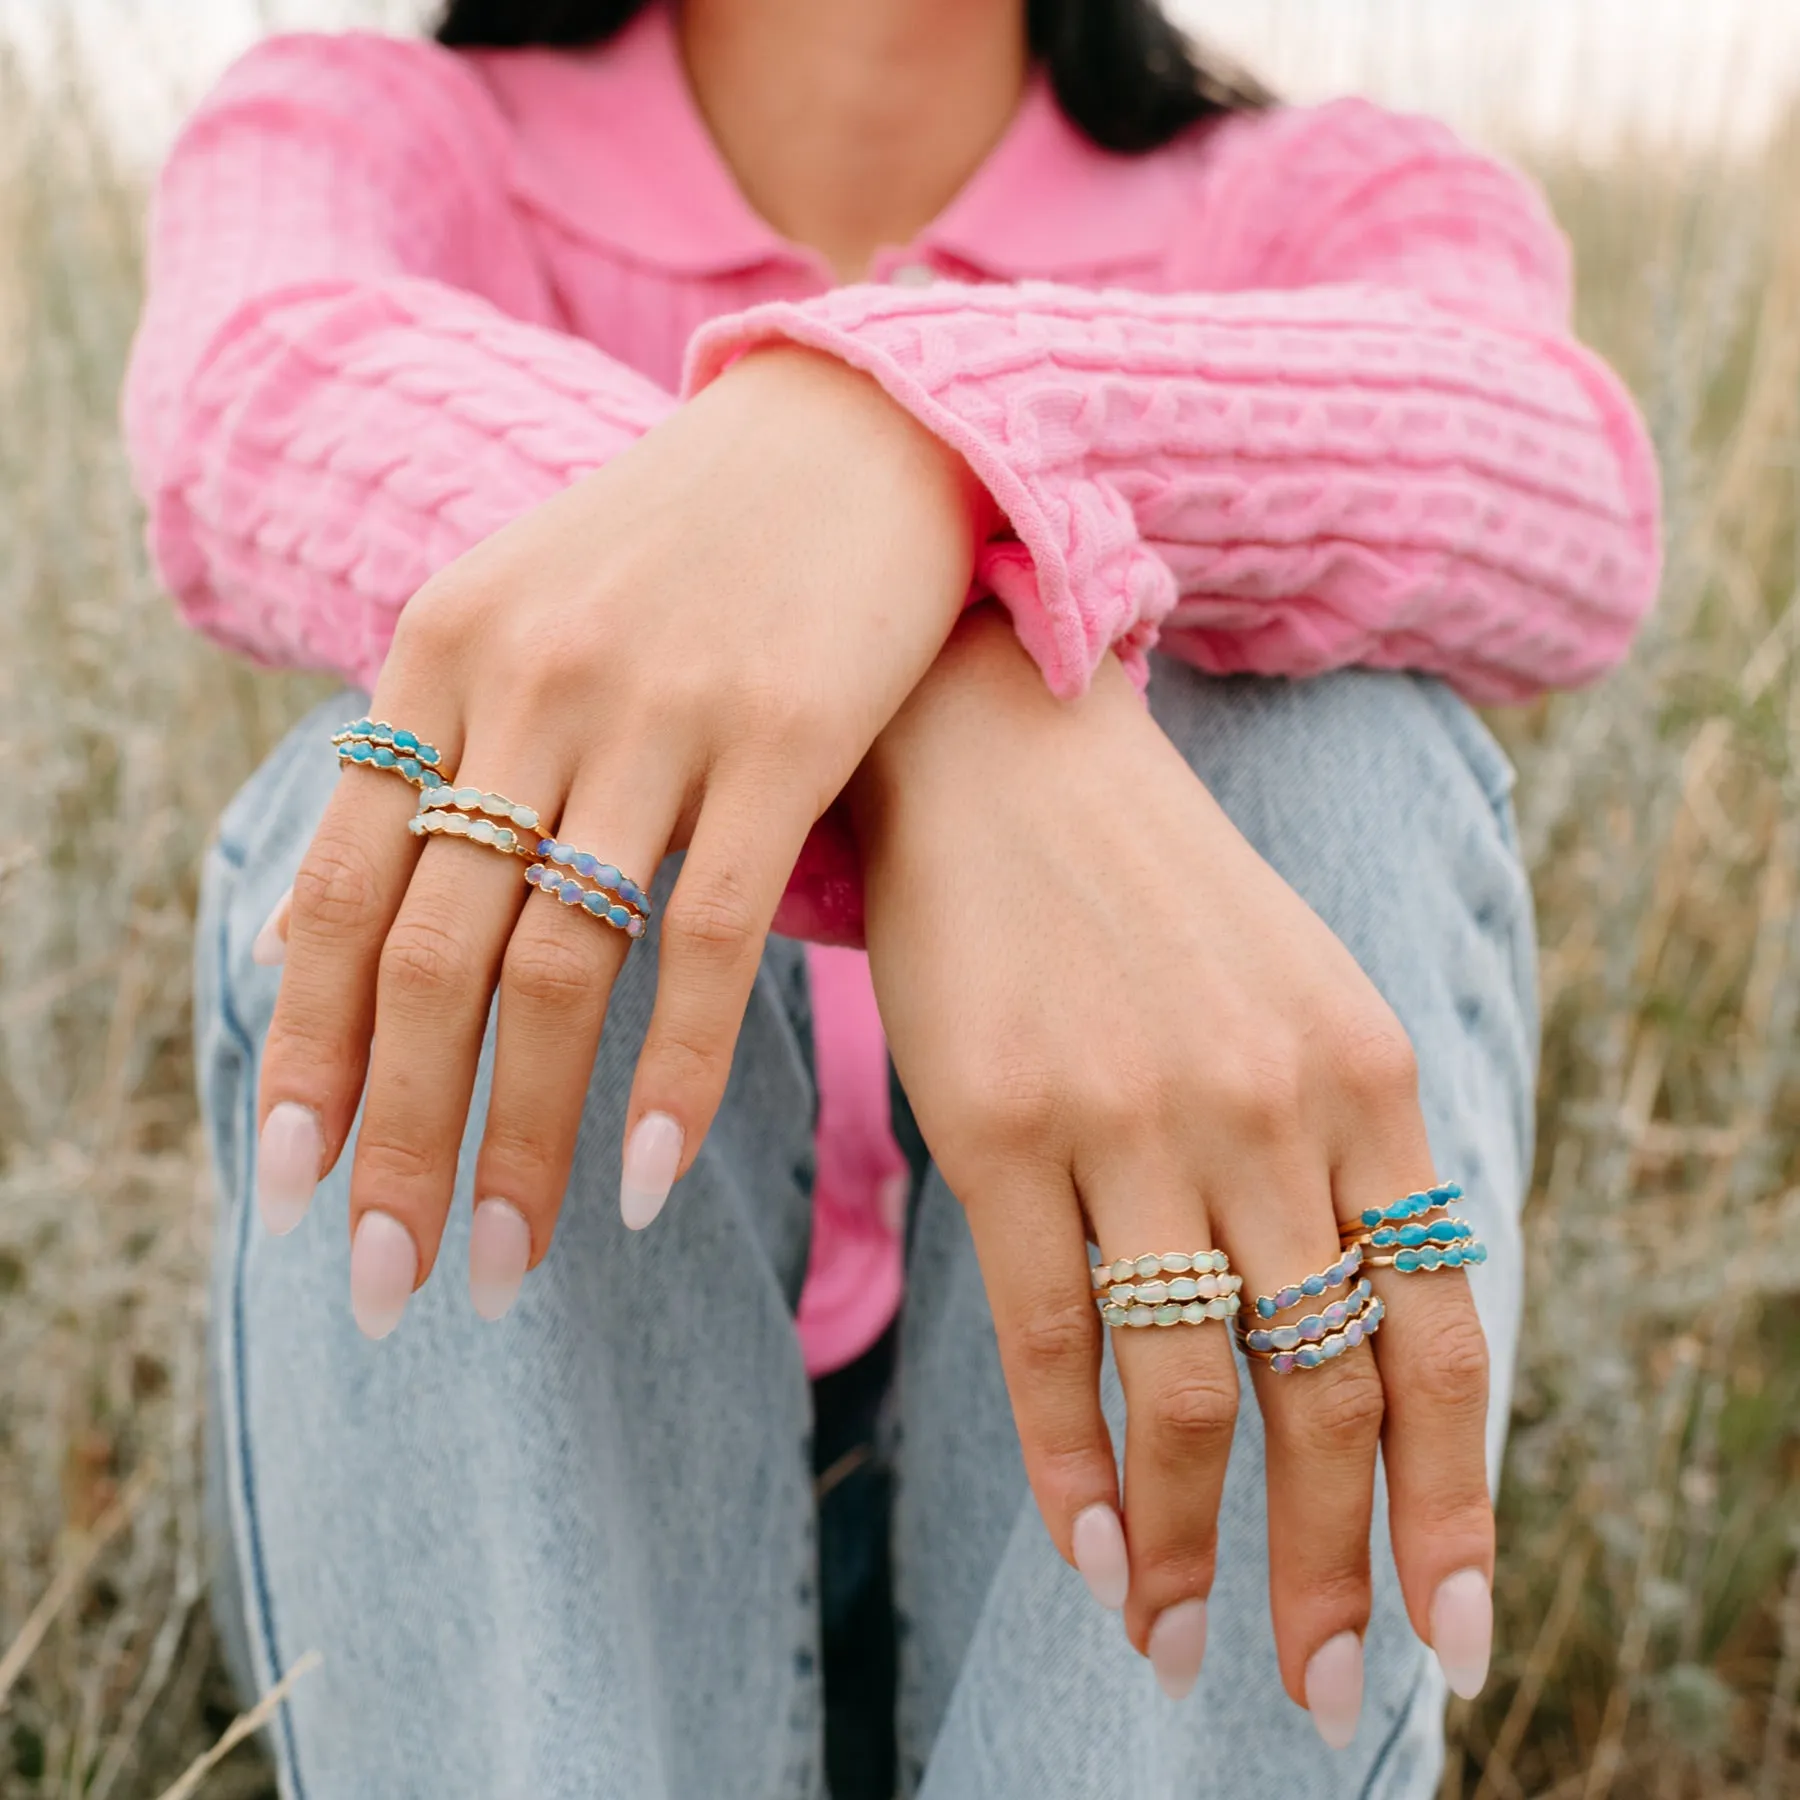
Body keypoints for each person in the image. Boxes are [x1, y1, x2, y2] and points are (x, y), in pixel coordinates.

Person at [122, 1, 1660, 1795]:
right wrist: (956, 704)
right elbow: (259, 383)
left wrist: (900, 444)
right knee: (426, 770)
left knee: (1345, 770)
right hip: (541, 1575)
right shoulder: (393, 129)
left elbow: (1556, 478)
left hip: (1137, 1588)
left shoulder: (1317, 196)